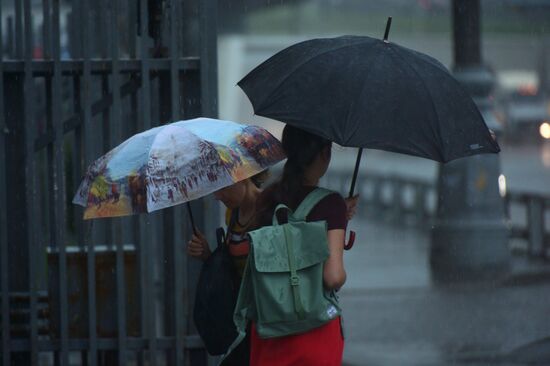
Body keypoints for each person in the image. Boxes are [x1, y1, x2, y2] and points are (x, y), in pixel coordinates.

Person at [251, 125, 358, 366]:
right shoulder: (331, 204)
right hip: (313, 330)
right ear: (324, 154)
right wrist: (338, 214)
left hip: (269, 326)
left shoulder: (267, 198)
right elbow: (332, 277)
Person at [187, 172, 267, 366]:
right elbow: (232, 270)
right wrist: (208, 255)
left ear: (242, 176)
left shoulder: (270, 210)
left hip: (266, 321)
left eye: (222, 187)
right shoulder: (233, 214)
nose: (217, 196)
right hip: (241, 323)